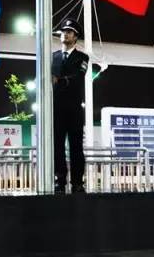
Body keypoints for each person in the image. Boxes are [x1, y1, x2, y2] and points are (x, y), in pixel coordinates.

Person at [52, 18, 89, 194]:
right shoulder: (53, 57)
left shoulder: (82, 58)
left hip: (74, 110)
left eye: (69, 32)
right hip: (56, 109)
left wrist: (59, 81)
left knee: (76, 147)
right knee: (57, 147)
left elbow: (78, 77)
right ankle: (59, 180)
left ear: (75, 37)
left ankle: (77, 182)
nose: (65, 34)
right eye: (63, 31)